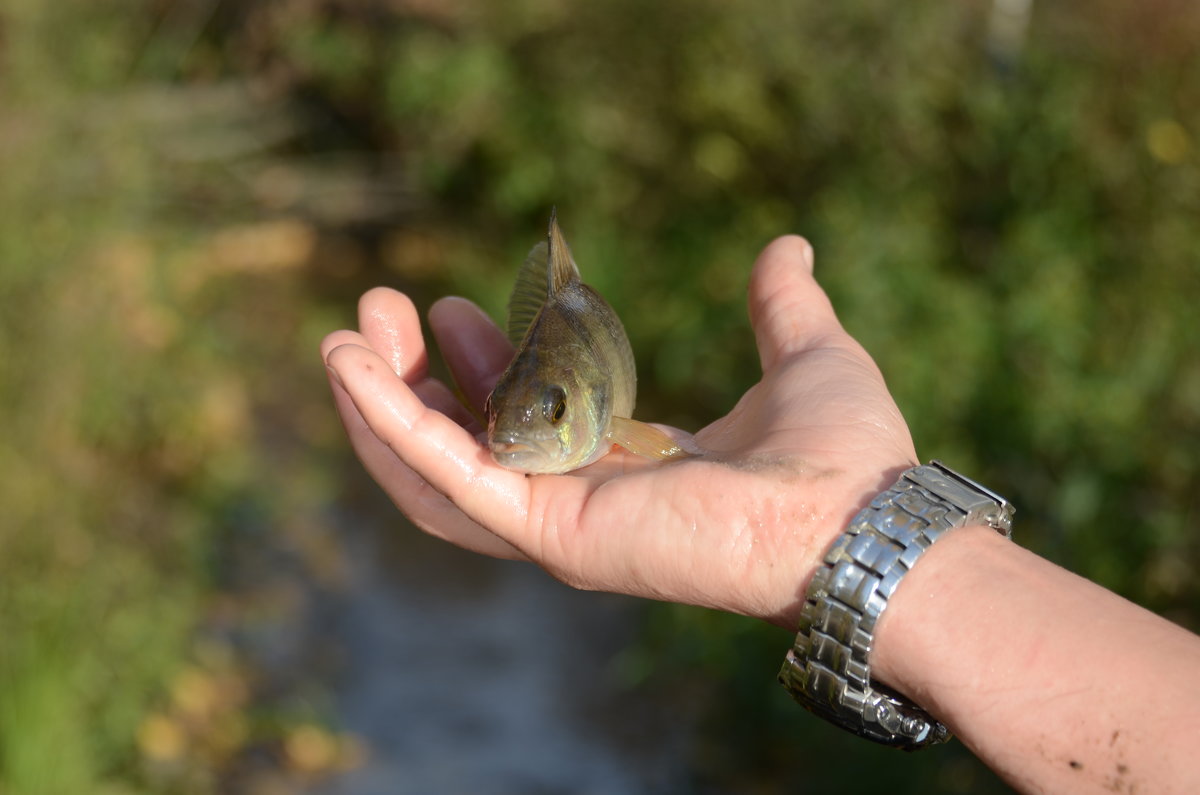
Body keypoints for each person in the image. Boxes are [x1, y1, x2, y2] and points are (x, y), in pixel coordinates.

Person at [321, 235, 1200, 794]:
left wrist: (807, 522)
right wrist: (850, 543)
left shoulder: (605, 405)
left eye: (545, 414)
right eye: (504, 417)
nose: (512, 437)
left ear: (590, 411)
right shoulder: (538, 394)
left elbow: (654, 443)